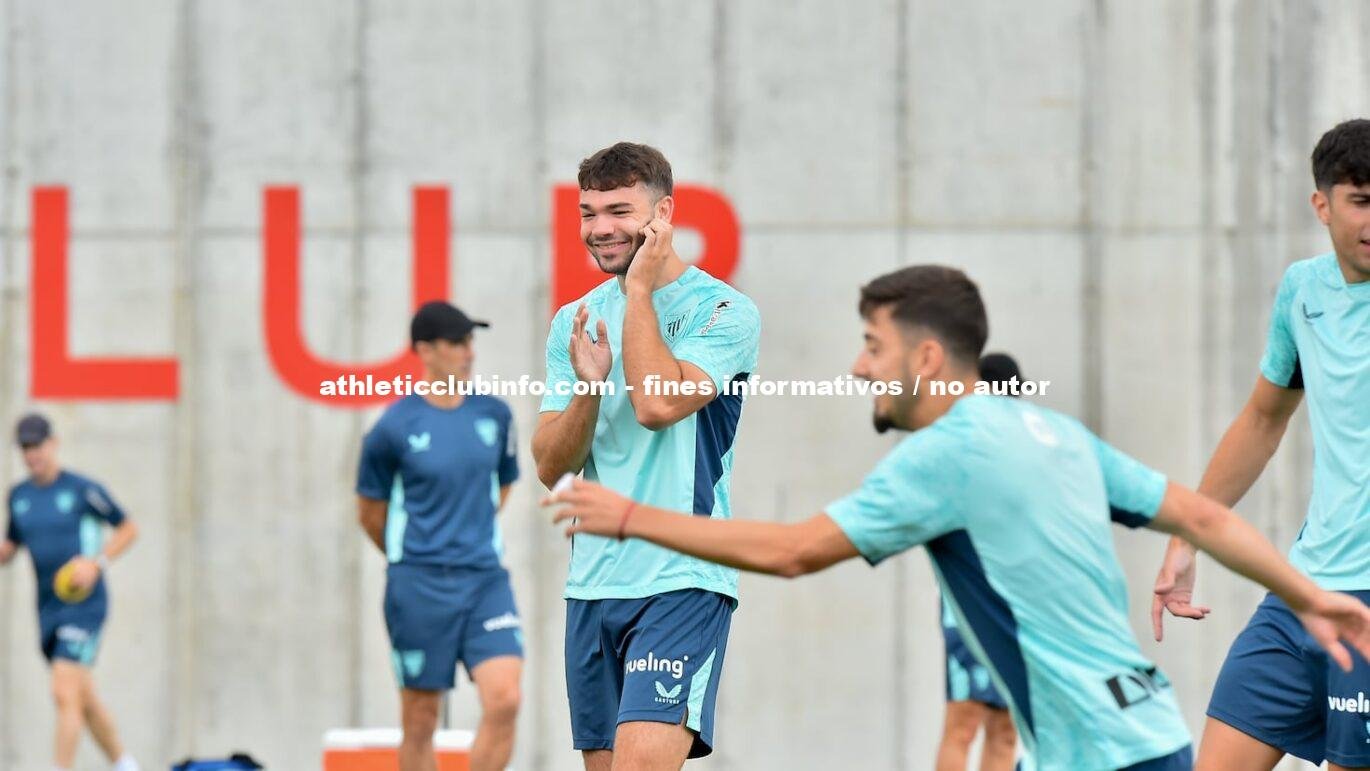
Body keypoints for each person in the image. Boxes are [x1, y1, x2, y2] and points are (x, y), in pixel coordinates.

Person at [547, 265, 1370, 771]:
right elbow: (1199, 514)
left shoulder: (943, 459)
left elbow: (795, 550)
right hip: (1144, 729)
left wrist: (633, 514)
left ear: (927, 356)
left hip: (1094, 752)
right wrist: (1310, 593)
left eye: (873, 345)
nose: (858, 366)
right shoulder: (1049, 427)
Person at [531, 141, 761, 768]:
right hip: (593, 585)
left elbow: (657, 403)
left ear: (663, 215)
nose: (599, 228)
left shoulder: (724, 310)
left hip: (683, 578)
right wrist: (587, 387)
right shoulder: (575, 320)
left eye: (619, 211)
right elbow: (550, 466)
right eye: (588, 213)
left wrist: (637, 293)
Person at [1151, 119, 1370, 770]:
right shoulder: (1302, 291)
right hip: (1303, 589)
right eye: (1362, 201)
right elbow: (1262, 421)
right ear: (1322, 205)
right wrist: (1188, 535)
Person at [356, 302, 522, 771]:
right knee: (421, 719)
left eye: (470, 341)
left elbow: (503, 485)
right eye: (456, 342)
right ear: (425, 351)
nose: (469, 352)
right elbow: (370, 512)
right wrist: (414, 553)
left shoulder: (495, 414)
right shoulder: (393, 427)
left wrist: (466, 530)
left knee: (505, 699)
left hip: (485, 581)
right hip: (418, 585)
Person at [1, 413, 141, 771]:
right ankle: (125, 764)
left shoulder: (82, 490)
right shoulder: (18, 497)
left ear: (53, 443)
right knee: (83, 698)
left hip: (84, 606)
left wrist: (97, 564)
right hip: (48, 608)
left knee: (63, 690)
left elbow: (128, 528)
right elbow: (10, 547)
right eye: (25, 447)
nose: (32, 454)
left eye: (37, 445)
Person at [934, 354, 1021, 771]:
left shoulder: (1026, 456)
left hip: (1018, 601)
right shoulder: (958, 451)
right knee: (964, 720)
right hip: (968, 602)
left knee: (1007, 726)